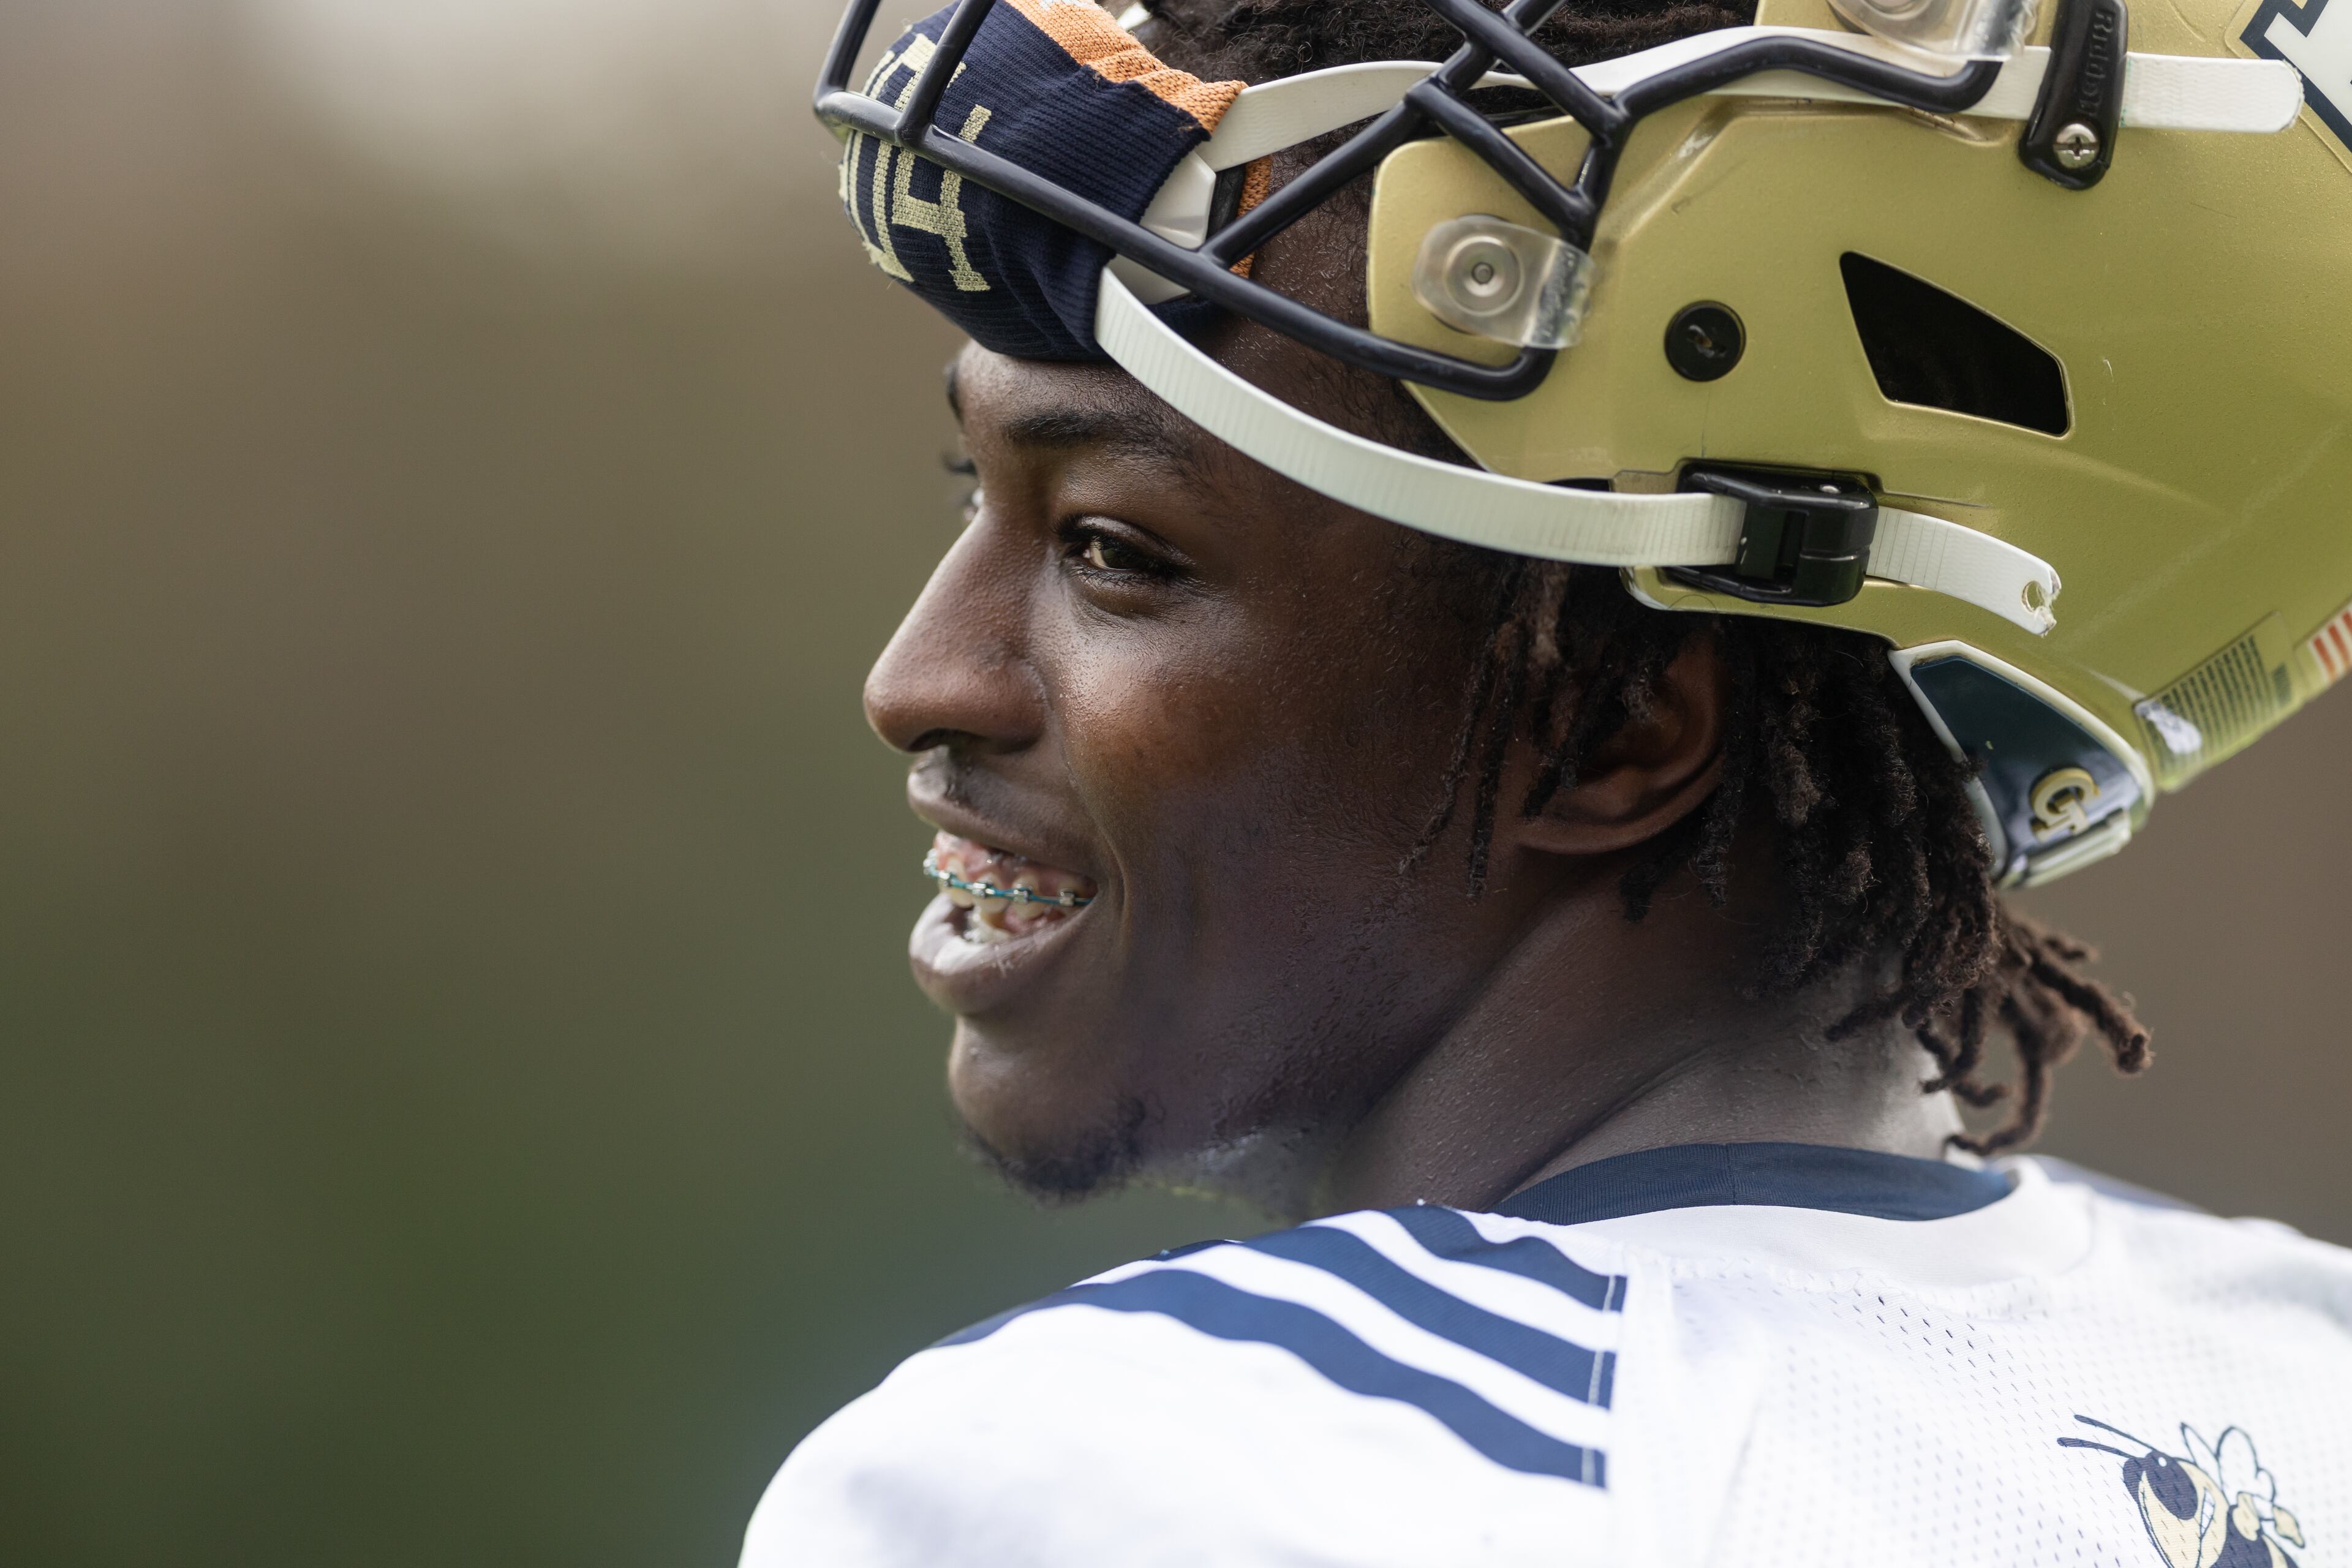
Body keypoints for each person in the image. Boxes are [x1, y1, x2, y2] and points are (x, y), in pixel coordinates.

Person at [745, 0, 2352, 1559]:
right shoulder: (2306, 1370)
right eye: (981, 488)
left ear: (1620, 725)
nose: (918, 683)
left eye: (1116, 551)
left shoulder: (1152, 1477)